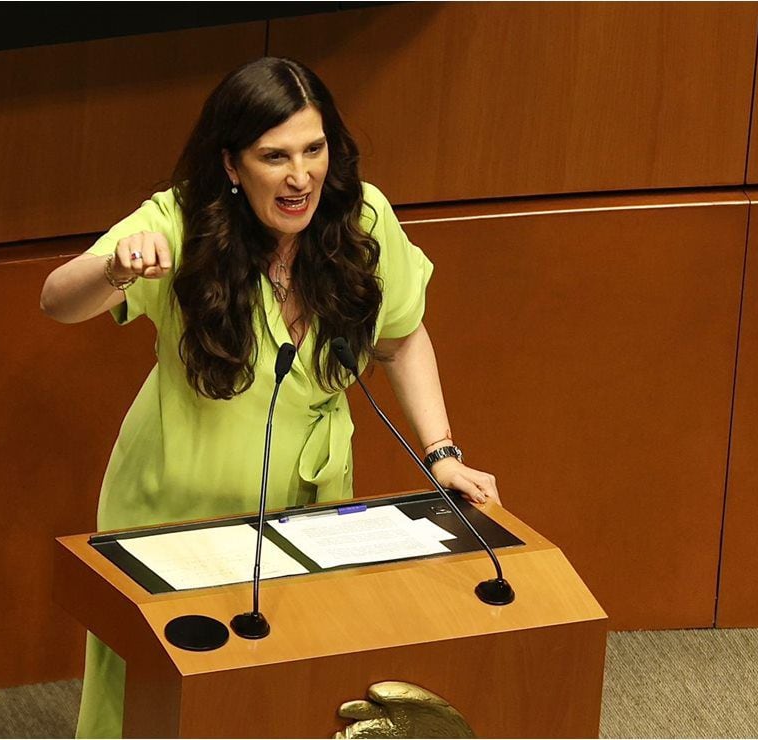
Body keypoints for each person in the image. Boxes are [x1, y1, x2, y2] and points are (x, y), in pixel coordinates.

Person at [40, 57, 500, 739]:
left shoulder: (361, 219)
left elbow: (401, 339)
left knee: (286, 691)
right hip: (174, 510)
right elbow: (57, 301)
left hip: (308, 510)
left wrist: (442, 452)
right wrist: (112, 267)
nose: (300, 176)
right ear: (231, 165)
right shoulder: (178, 222)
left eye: (313, 149)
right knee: (160, 706)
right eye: (274, 156)